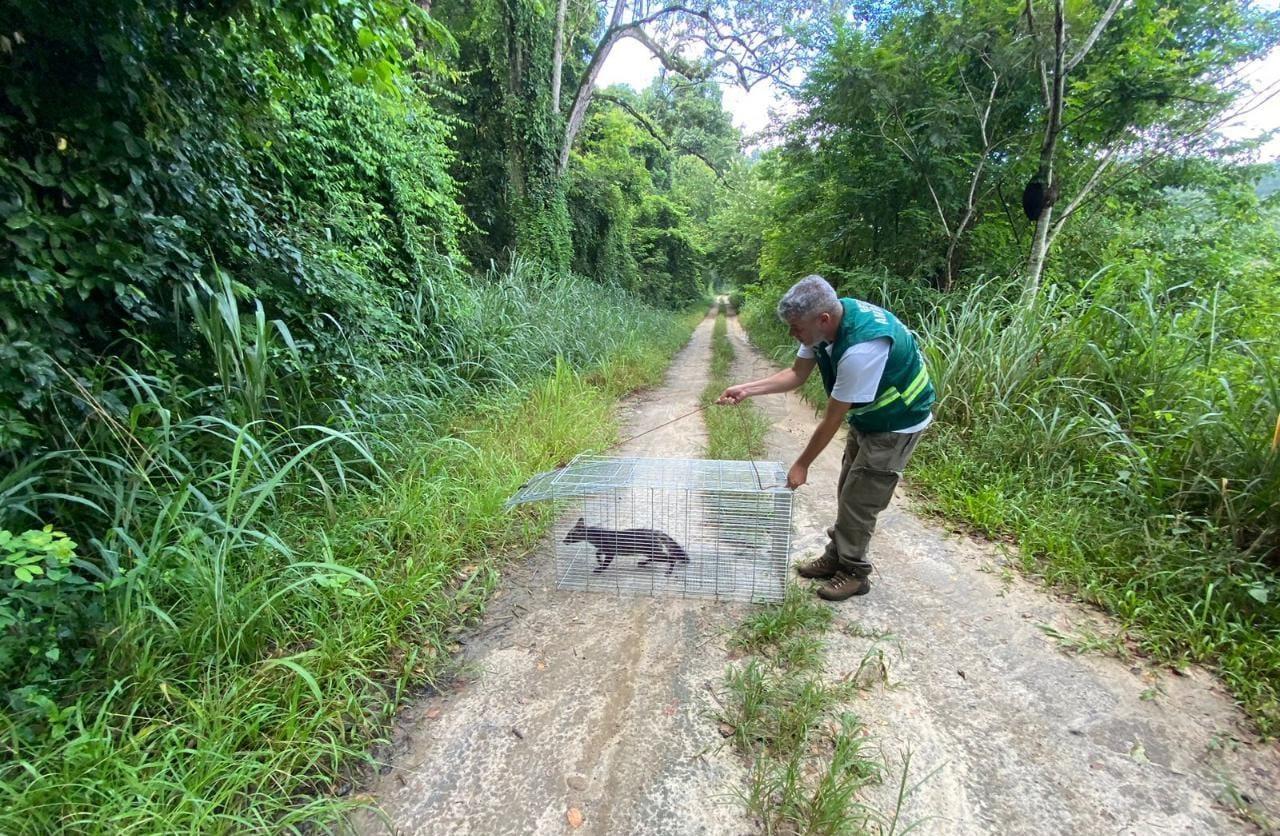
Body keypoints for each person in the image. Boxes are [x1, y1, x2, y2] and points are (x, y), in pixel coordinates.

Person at [717, 275, 935, 601]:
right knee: (848, 486)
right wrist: (746, 389)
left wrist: (802, 464)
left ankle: (854, 572)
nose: (793, 334)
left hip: (897, 420)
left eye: (797, 328)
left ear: (823, 319)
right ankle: (838, 554)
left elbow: (832, 419)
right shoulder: (820, 326)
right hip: (869, 414)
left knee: (861, 499)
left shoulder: (861, 349)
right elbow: (796, 374)